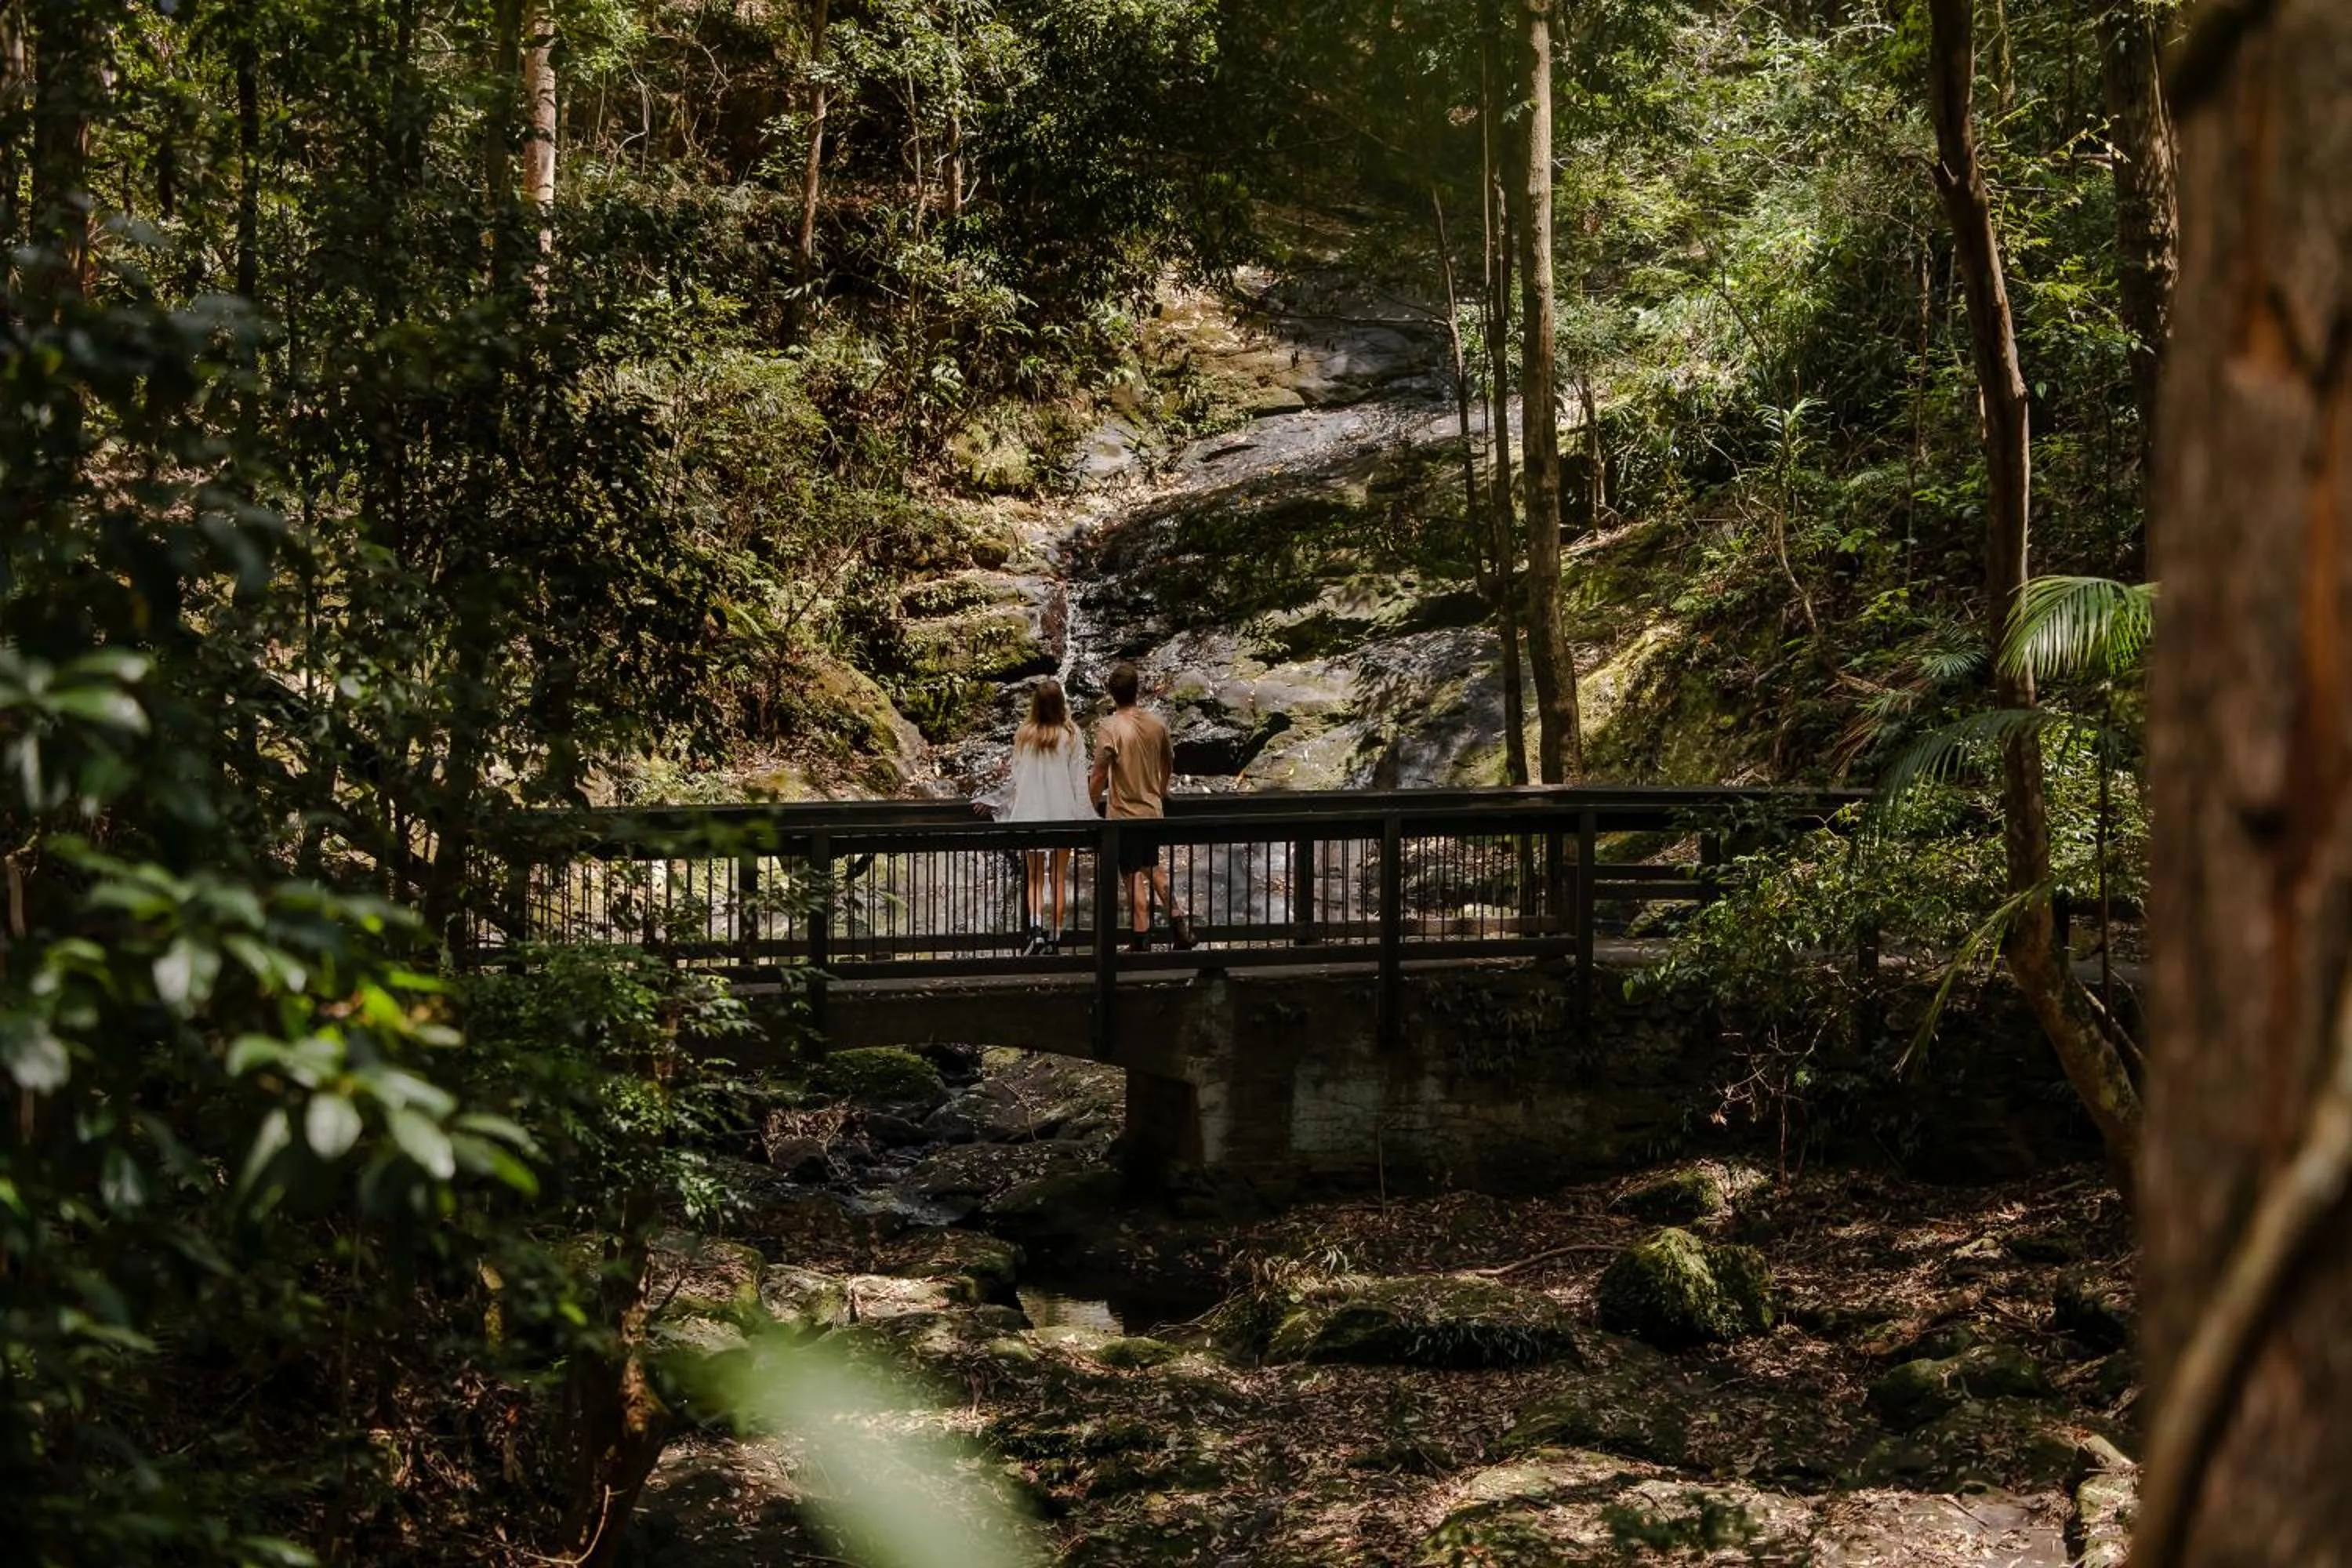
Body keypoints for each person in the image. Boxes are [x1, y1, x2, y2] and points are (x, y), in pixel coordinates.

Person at [1089, 662, 1195, 952]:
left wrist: (1089, 806)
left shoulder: (1110, 727)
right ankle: (1179, 924)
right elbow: (1168, 761)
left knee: (1132, 875)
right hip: (1152, 812)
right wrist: (1161, 789)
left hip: (1124, 816)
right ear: (1138, 690)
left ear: (1111, 693)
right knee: (1152, 867)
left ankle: (1140, 939)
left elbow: (1098, 774)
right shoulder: (1156, 724)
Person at [999, 678, 1094, 955]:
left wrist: (999, 803)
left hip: (1031, 814)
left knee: (1035, 878)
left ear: (1036, 705)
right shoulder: (1071, 734)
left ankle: (1036, 931)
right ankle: (1055, 936)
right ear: (1061, 704)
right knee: (1059, 878)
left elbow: (1017, 776)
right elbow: (1079, 780)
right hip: (1062, 814)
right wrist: (1086, 817)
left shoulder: (1024, 733)